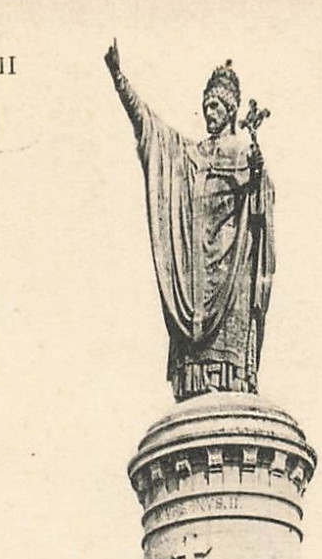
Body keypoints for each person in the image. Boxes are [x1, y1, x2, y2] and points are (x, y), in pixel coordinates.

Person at [105, 40, 274, 403]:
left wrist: (258, 177)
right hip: (194, 268)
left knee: (231, 340)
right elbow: (150, 127)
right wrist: (121, 81)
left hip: (234, 268)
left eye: (215, 106)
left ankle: (232, 380)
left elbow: (260, 207)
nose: (209, 113)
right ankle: (197, 382)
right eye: (206, 106)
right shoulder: (189, 156)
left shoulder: (244, 152)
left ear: (230, 111)